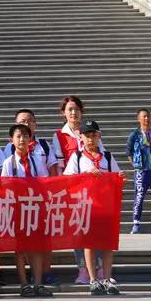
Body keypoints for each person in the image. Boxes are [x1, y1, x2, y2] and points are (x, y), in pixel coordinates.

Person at [63, 120, 124, 296]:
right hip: (86, 206)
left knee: (107, 244)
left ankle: (107, 278)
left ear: (99, 136)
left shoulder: (107, 157)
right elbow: (67, 180)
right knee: (89, 243)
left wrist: (120, 178)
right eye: (87, 136)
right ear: (81, 138)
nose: (90, 139)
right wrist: (86, 174)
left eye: (93, 135)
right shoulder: (77, 157)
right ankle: (93, 280)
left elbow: (116, 175)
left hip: (106, 205)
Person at [51, 95, 105, 284]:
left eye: (76, 109)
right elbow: (59, 167)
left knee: (97, 230)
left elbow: (102, 155)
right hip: (73, 190)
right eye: (70, 109)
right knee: (79, 231)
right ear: (63, 113)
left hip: (95, 191)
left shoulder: (91, 131)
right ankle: (83, 270)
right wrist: (64, 190)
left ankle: (100, 270)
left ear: (82, 112)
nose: (73, 113)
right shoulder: (59, 135)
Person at [0, 123, 53, 297]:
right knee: (20, 248)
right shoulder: (8, 162)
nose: (22, 139)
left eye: (25, 136)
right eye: (18, 136)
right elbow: (4, 186)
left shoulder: (36, 160)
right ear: (11, 140)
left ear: (30, 139)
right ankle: (24, 284)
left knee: (37, 247)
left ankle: (38, 283)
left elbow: (44, 181)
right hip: (18, 209)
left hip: (36, 208)